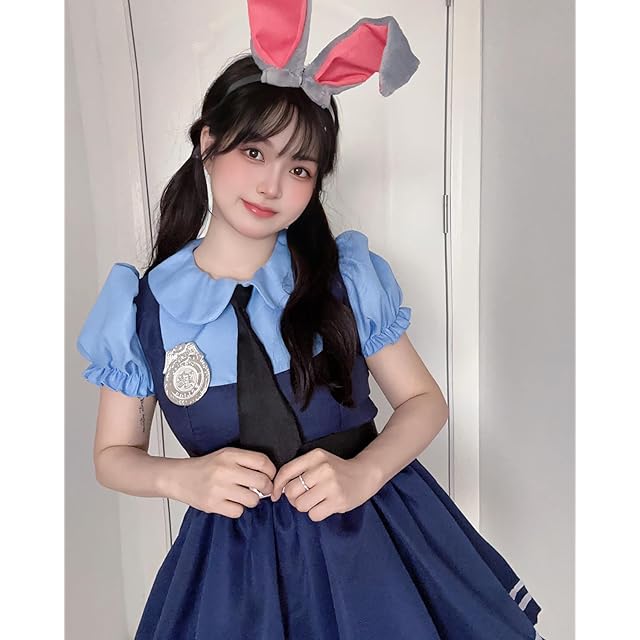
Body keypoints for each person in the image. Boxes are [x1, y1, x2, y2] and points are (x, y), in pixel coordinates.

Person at [76, 2, 545, 638]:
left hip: (374, 544)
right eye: (253, 151)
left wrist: (362, 474)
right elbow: (113, 456)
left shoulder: (343, 279)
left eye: (299, 168)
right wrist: (181, 477)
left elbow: (424, 402)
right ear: (208, 142)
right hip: (233, 574)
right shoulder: (142, 310)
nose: (272, 185)